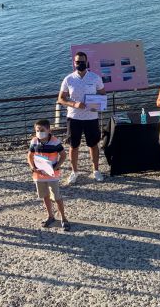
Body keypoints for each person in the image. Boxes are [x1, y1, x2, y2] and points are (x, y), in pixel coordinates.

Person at [58, 51, 106, 185]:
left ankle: (96, 170)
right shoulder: (68, 79)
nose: (80, 64)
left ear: (87, 62)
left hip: (91, 117)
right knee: (74, 146)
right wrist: (74, 104)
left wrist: (95, 104)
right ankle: (74, 172)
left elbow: (103, 94)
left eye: (82, 61)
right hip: (74, 117)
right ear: (74, 63)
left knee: (93, 144)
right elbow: (61, 99)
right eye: (77, 62)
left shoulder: (95, 78)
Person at [28, 119, 70, 230]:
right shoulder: (34, 141)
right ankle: (50, 216)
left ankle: (63, 218)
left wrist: (56, 167)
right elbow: (30, 156)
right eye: (37, 130)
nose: (39, 132)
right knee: (45, 196)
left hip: (52, 174)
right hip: (39, 174)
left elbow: (63, 155)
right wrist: (32, 167)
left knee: (57, 197)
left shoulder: (55, 142)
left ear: (49, 130)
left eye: (42, 130)